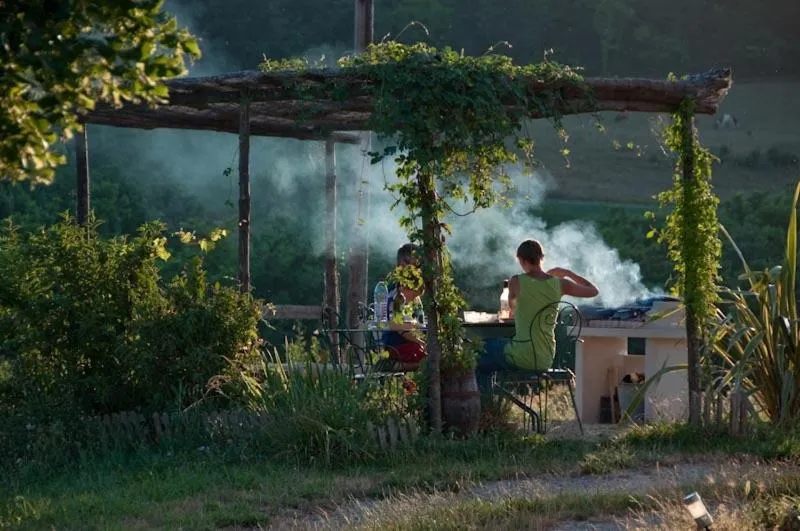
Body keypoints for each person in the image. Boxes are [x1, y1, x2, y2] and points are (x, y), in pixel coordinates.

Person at [476, 239, 598, 386]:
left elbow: (511, 309)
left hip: (521, 355)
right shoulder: (560, 284)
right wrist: (567, 273)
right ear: (541, 258)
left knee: (479, 349)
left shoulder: (515, 281)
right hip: (545, 358)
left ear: (523, 261)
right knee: (497, 348)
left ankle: (485, 402)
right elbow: (593, 291)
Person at [381, 243, 426, 371]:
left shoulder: (415, 295)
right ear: (402, 265)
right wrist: (422, 342)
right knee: (428, 358)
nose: (418, 270)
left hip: (412, 344)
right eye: (415, 265)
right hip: (396, 346)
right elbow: (397, 325)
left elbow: (419, 323)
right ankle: (391, 366)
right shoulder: (395, 293)